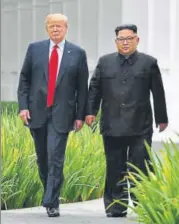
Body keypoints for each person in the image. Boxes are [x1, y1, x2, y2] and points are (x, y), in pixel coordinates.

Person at [85, 24, 168, 218]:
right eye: (121, 39)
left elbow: (158, 92)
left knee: (141, 166)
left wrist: (162, 118)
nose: (125, 42)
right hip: (112, 124)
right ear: (116, 42)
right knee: (115, 167)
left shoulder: (149, 63)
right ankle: (116, 207)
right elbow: (94, 89)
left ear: (136, 40)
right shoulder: (105, 62)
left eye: (129, 38)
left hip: (141, 125)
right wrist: (90, 112)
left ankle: (143, 206)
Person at [17, 13, 89, 217]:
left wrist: (80, 115)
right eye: (51, 26)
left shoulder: (77, 53)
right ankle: (51, 191)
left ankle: (51, 201)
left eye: (59, 26)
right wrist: (23, 107)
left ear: (66, 28)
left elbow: (81, 88)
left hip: (63, 113)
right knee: (43, 158)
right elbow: (24, 80)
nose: (55, 29)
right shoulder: (35, 49)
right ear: (46, 29)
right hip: (37, 113)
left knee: (56, 156)